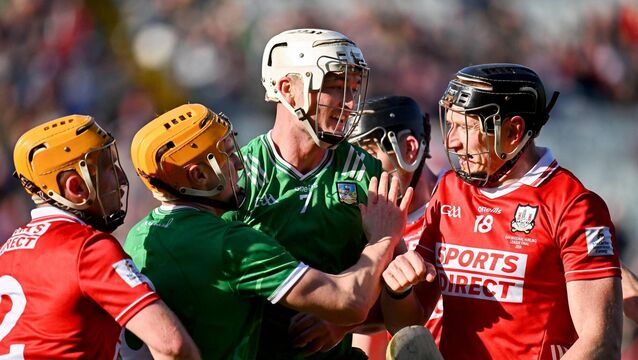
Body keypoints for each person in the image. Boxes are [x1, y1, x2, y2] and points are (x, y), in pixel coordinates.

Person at [122, 103, 411, 359]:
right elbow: (349, 301)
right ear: (198, 175)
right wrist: (381, 238)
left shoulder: (138, 236)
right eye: (226, 156)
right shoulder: (234, 245)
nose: (239, 163)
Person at [381, 63, 623, 359]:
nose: (452, 142)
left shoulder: (574, 205)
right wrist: (398, 292)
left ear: (513, 131)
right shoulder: (449, 190)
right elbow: (408, 323)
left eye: (467, 127)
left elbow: (601, 342)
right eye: (451, 124)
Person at [222, 28, 382, 359]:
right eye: (336, 88)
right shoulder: (238, 174)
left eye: (354, 89)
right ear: (288, 90)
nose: (350, 103)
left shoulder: (367, 171)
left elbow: (399, 302)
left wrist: (344, 322)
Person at [0, 115, 200, 359]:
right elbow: (171, 344)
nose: (122, 179)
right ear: (76, 188)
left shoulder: (6, 252)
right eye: (108, 167)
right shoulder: (86, 247)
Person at [347, 95, 441, 359]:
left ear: (409, 150)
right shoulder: (361, 221)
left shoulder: (462, 204)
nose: (357, 172)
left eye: (369, 154)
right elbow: (370, 337)